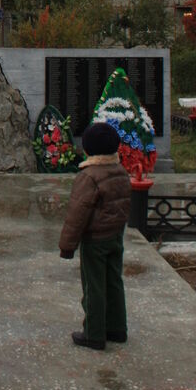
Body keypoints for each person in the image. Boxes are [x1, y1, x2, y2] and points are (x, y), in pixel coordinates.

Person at [58, 122, 131, 350]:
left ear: (88, 149)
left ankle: (94, 333)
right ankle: (117, 328)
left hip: (95, 240)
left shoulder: (89, 176)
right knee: (114, 281)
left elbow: (77, 213)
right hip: (115, 236)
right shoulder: (120, 171)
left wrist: (67, 245)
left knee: (94, 286)